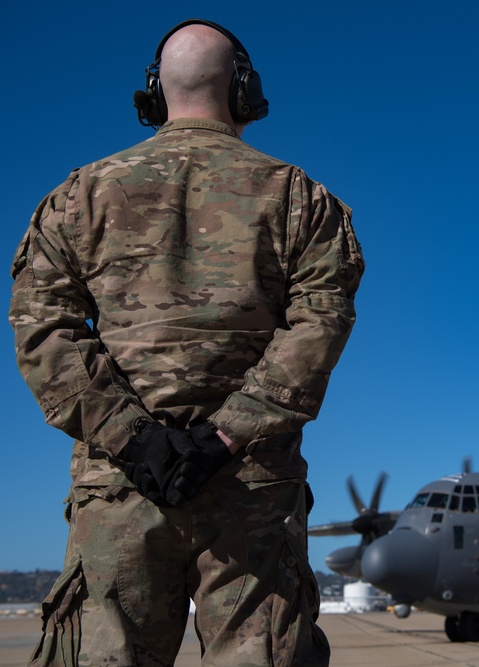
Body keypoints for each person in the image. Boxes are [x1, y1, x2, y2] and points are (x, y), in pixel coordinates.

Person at [9, 18, 363, 666]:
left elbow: (42, 323)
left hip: (120, 488)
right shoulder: (297, 198)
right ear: (243, 89)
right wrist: (227, 433)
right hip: (250, 489)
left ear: (154, 91)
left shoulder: (78, 197)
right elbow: (320, 321)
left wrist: (133, 438)